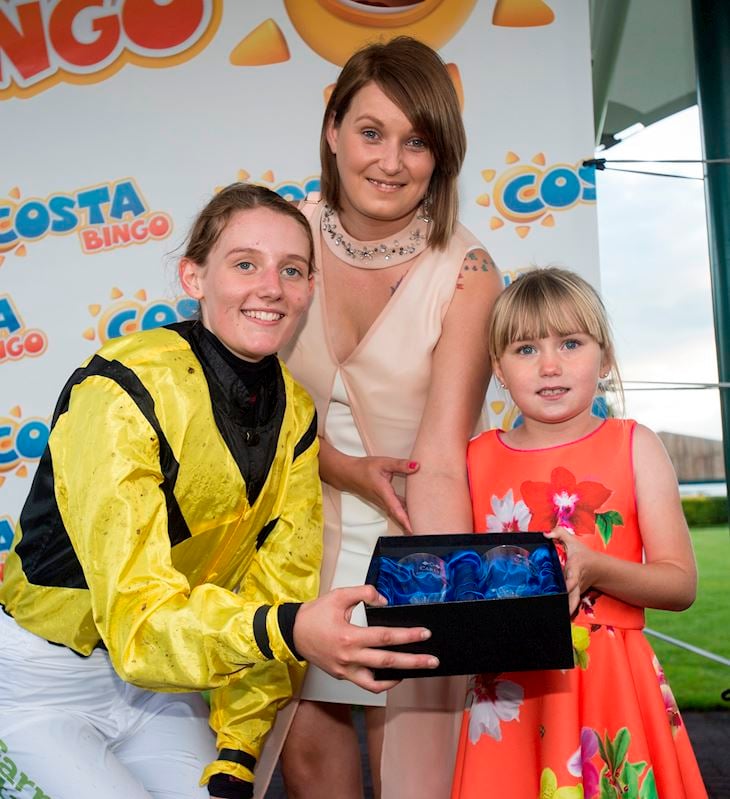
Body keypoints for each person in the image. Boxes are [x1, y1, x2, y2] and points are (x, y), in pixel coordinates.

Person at [0, 183, 440, 799]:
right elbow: (141, 622)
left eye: (292, 269)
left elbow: (278, 586)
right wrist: (287, 630)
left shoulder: (294, 415)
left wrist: (236, 750)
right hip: (44, 682)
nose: (271, 287)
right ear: (193, 276)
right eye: (244, 264)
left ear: (309, 289)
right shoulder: (120, 389)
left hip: (165, 691)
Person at [272, 36, 503, 799]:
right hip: (290, 545)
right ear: (333, 130)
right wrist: (338, 468)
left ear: (442, 157)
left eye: (417, 142)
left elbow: (440, 455)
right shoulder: (278, 243)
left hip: (414, 538)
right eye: (371, 132)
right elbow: (250, 425)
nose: (391, 161)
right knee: (307, 769)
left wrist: (450, 604)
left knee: (415, 781)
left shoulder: (467, 273)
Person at [450, 267, 707, 798]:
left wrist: (595, 567)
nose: (550, 365)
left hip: (612, 686)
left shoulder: (635, 445)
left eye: (570, 343)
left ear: (605, 358)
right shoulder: (474, 459)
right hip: (512, 692)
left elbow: (679, 585)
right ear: (497, 367)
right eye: (524, 349)